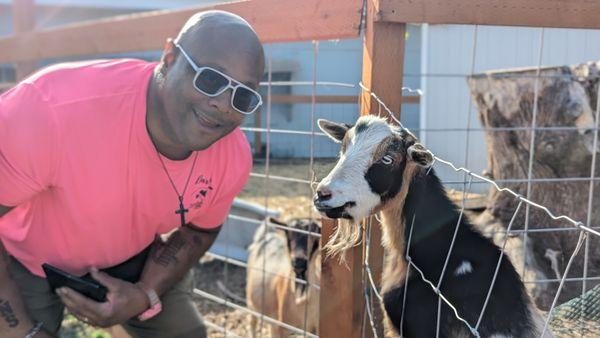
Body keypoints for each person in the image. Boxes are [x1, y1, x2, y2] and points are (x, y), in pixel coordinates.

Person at [0, 9, 264, 338]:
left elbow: (199, 232)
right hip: (23, 257)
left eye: (243, 96)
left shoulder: (232, 156)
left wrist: (144, 294)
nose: (224, 104)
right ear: (169, 58)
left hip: (130, 255)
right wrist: (18, 329)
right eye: (210, 79)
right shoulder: (51, 110)